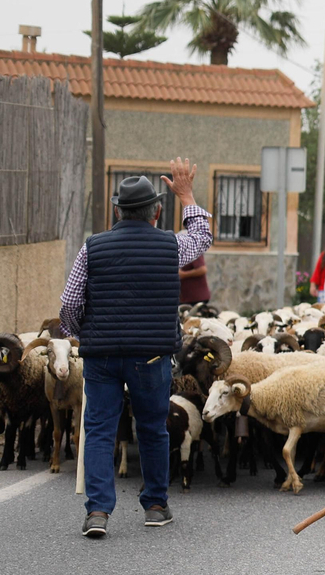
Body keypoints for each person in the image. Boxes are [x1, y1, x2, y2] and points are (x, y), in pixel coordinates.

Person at [60, 159, 214, 538]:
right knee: (152, 429)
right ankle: (156, 506)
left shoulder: (92, 247)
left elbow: (68, 304)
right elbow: (202, 236)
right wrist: (187, 194)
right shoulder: (170, 245)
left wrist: (85, 333)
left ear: (117, 211)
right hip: (152, 356)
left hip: (102, 356)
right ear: (157, 211)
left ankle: (97, 512)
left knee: (98, 430)